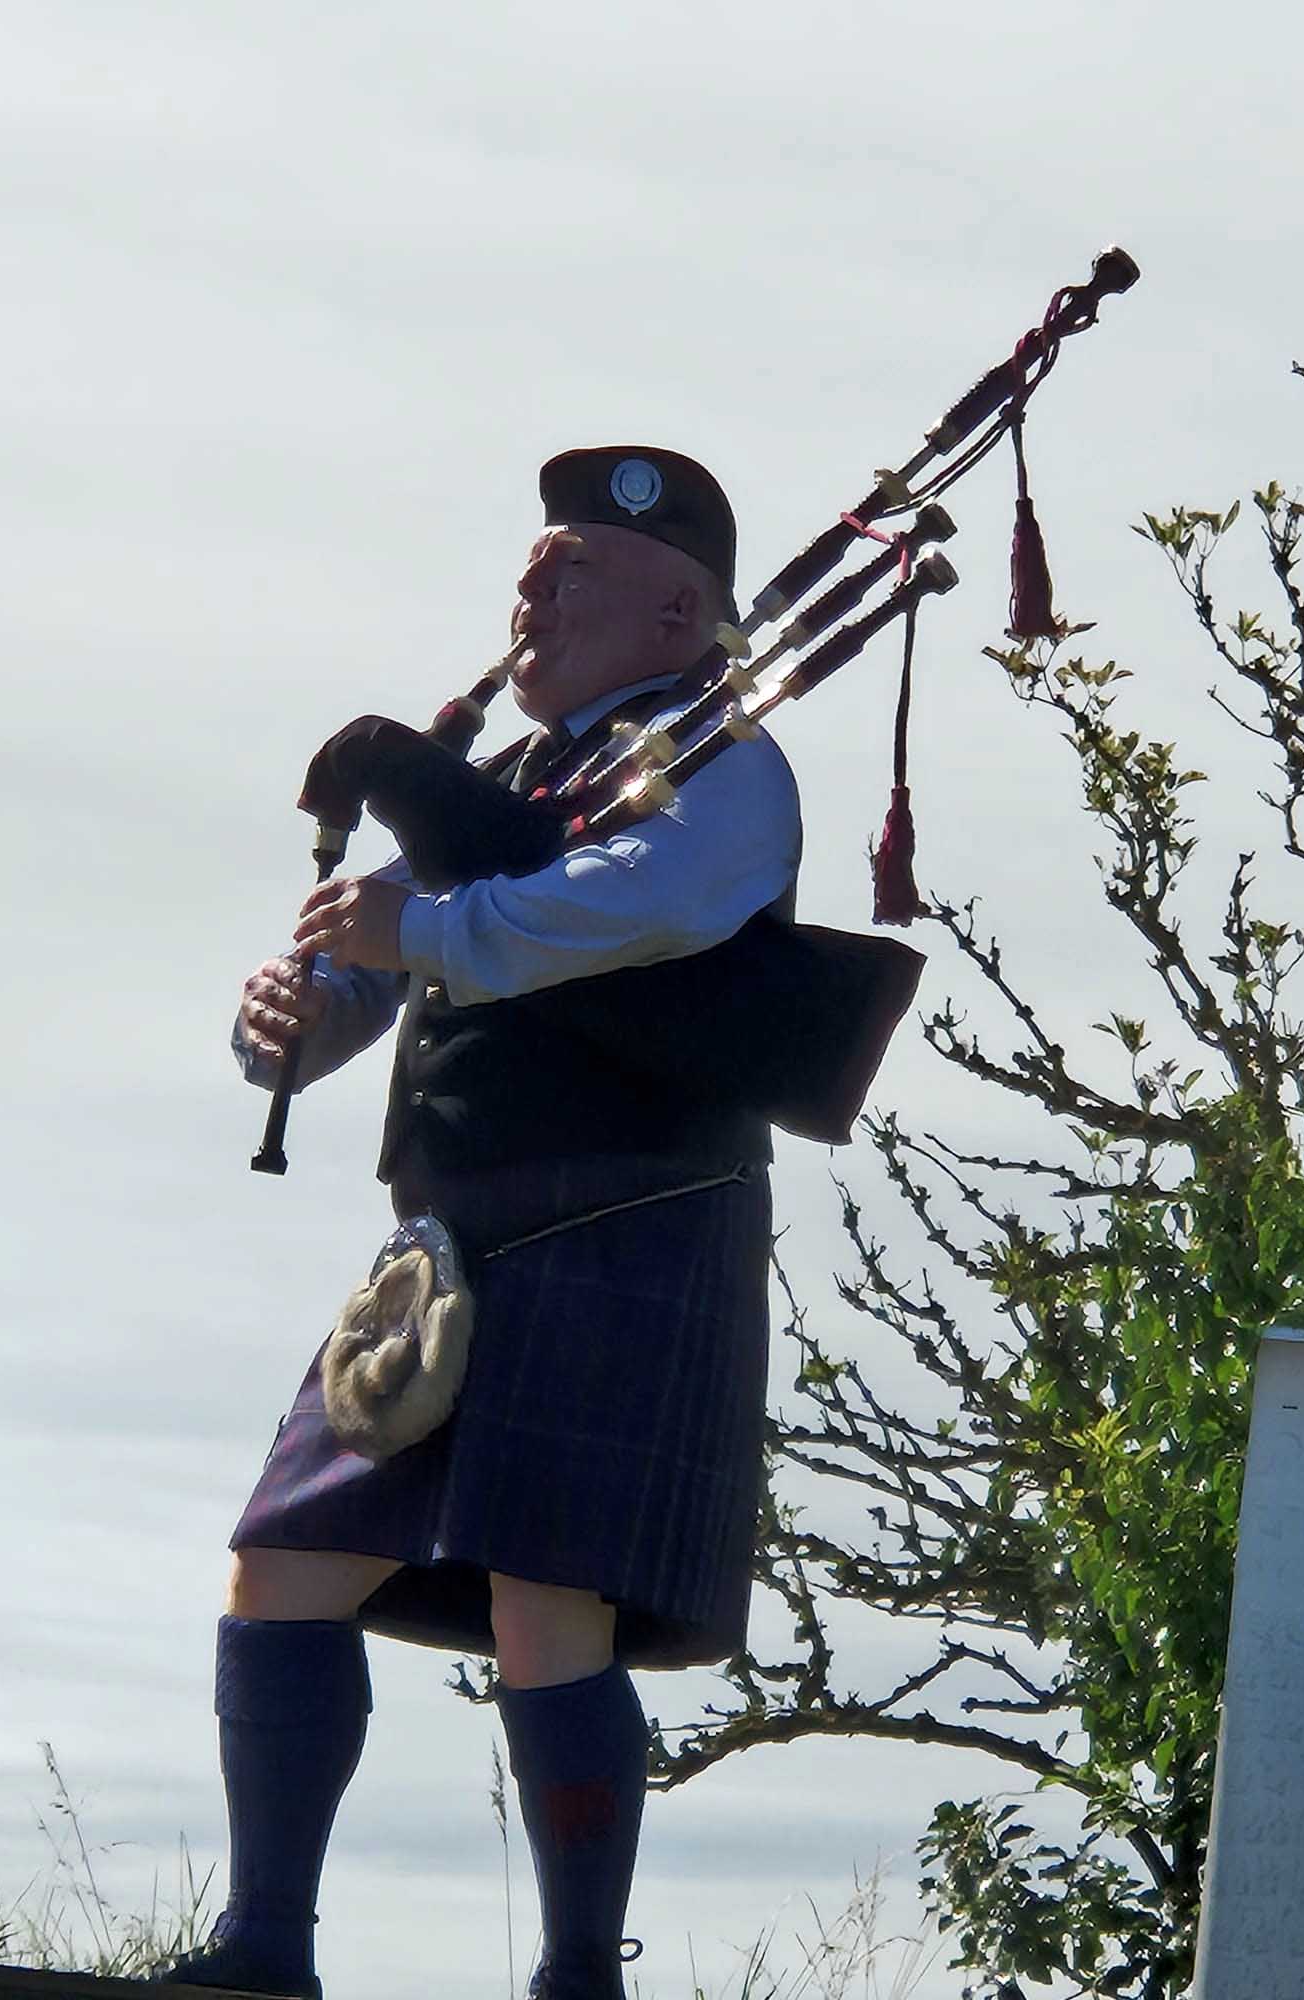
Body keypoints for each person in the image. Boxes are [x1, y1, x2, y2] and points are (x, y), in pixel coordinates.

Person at [159, 448, 802, 2000]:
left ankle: (580, 1974)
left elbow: (643, 903)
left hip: (631, 1220)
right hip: (448, 1247)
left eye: (572, 570)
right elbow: (371, 966)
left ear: (680, 614)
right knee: (284, 1563)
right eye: (528, 570)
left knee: (546, 1601)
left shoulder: (723, 760)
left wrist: (426, 925)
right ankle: (265, 1950)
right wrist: (296, 1019)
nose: (532, 593)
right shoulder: (507, 785)